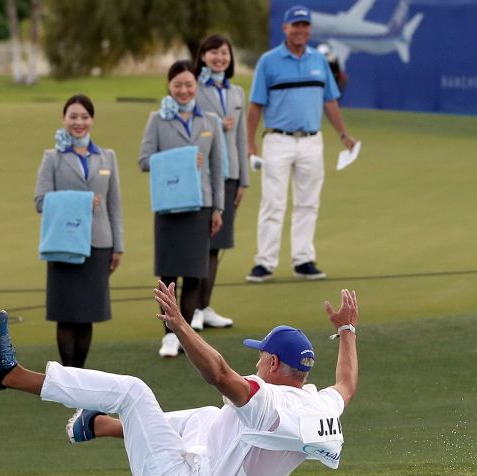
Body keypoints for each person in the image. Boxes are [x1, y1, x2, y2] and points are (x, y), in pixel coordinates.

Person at [0, 284, 359, 476]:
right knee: (211, 419)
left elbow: (220, 374)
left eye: (260, 356)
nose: (256, 361)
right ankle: (97, 425)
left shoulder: (267, 403)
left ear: (273, 362)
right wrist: (346, 328)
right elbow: (347, 384)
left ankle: (8, 374)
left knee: (133, 392)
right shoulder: (319, 407)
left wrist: (179, 326)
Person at [246, 5, 359, 283]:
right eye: (295, 25)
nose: (300, 30)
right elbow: (255, 106)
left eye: (304, 25)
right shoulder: (269, 61)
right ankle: (265, 262)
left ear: (309, 29)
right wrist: (250, 145)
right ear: (285, 28)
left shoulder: (318, 61)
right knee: (273, 202)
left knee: (308, 203)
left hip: (311, 141)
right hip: (277, 139)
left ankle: (303, 259)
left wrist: (343, 135)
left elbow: (330, 101)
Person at [139, 60, 226, 359]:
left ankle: (185, 334)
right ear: (169, 86)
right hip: (169, 205)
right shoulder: (157, 119)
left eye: (189, 84)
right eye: (178, 85)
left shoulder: (211, 121)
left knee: (194, 274)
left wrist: (217, 208)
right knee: (169, 275)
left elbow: (217, 169)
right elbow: (144, 160)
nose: (184, 90)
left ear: (196, 86)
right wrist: (182, 160)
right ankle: (169, 335)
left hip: (200, 205)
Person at [34, 94, 124, 368]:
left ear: (92, 120)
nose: (79, 122)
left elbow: (114, 205)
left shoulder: (107, 157)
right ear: (64, 119)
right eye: (73, 116)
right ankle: (67, 377)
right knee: (66, 314)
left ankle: (79, 375)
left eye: (84, 117)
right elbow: (40, 200)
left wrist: (118, 246)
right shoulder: (52, 157)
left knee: (86, 315)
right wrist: (81, 203)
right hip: (64, 246)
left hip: (99, 243)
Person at [191, 34, 250, 332]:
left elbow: (241, 139)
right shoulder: (195, 89)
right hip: (203, 177)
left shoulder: (237, 92)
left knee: (217, 245)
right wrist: (214, 122)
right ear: (203, 56)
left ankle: (205, 305)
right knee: (202, 245)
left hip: (230, 176)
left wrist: (243, 180)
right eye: (213, 52)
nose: (219, 57)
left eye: (224, 52)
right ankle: (193, 309)